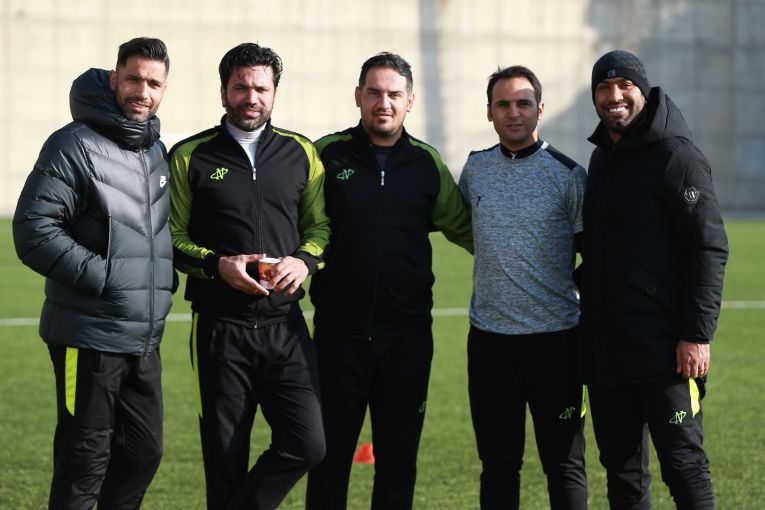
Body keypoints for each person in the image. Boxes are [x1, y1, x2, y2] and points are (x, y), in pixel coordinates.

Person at [305, 52, 473, 510]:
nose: (384, 103)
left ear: (410, 101)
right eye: (374, 93)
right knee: (327, 462)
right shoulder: (326, 154)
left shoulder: (425, 163)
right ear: (358, 96)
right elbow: (295, 221)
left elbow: (466, 229)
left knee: (398, 466)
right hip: (338, 340)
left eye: (394, 94)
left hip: (407, 341)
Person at [168, 42, 329, 510]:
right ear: (223, 91)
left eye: (262, 88)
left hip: (286, 329)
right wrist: (217, 265)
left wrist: (303, 261)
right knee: (225, 463)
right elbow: (172, 237)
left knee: (308, 444)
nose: (251, 97)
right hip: (220, 330)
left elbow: (320, 226)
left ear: (275, 93)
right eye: (241, 87)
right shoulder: (190, 156)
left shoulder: (301, 152)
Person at [12, 37, 172, 509]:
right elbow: (34, 230)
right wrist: (107, 278)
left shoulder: (155, 149)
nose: (142, 91)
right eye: (133, 79)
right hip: (87, 335)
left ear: (164, 89)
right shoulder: (73, 144)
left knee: (143, 453)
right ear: (114, 79)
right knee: (85, 460)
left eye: (154, 83)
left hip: (142, 336)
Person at [581, 50, 728, 509]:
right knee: (622, 473)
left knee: (683, 465)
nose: (614, 96)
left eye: (624, 85)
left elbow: (708, 248)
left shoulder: (677, 155)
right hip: (607, 351)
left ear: (642, 91)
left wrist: (696, 335)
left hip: (666, 353)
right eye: (604, 87)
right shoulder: (602, 159)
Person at [458, 66, 588, 509]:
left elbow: (593, 256)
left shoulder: (569, 175)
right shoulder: (476, 168)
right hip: (489, 343)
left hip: (556, 344)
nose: (513, 112)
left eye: (523, 103)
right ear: (489, 112)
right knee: (497, 465)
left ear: (540, 109)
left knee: (564, 464)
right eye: (503, 104)